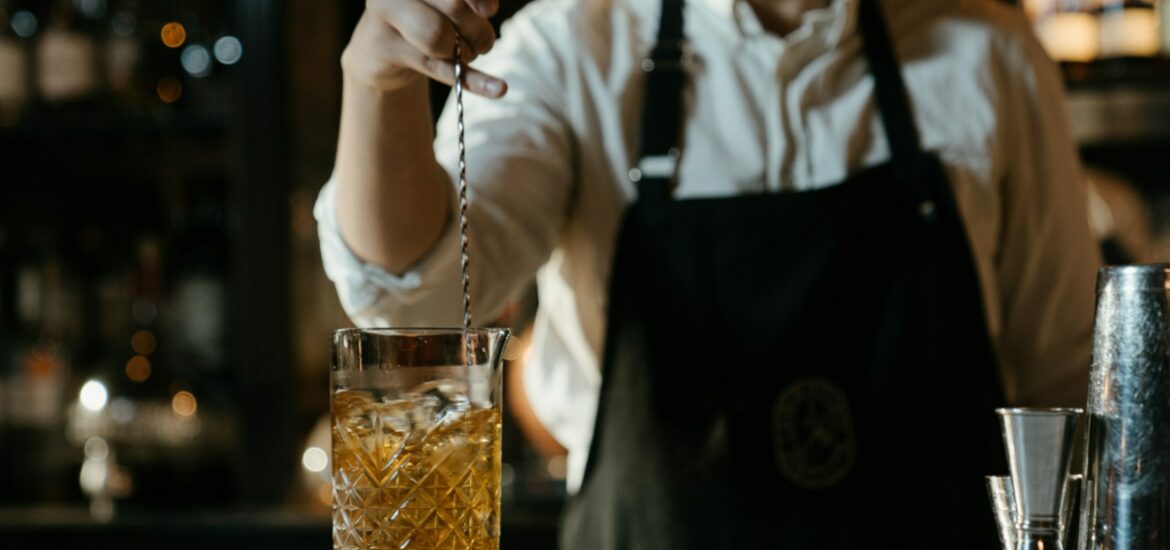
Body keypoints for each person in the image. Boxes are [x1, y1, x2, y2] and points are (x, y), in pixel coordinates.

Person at [315, 0, 1102, 546]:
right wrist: (379, 87)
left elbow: (1063, 389)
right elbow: (410, 295)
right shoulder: (569, 48)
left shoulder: (991, 52)